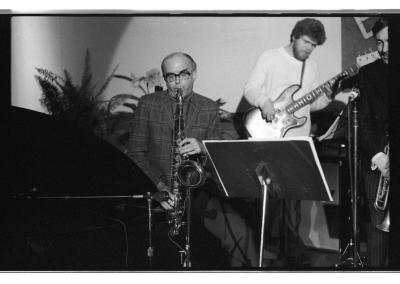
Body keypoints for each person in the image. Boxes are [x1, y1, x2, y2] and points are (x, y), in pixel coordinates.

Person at [128, 52, 257, 268]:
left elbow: (218, 161)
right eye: (170, 76)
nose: (177, 82)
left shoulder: (209, 107)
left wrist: (203, 147)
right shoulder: (148, 104)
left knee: (241, 235)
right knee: (164, 253)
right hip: (159, 195)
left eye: (184, 74)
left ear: (194, 73)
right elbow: (135, 153)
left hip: (196, 195)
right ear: (164, 78)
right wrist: (159, 188)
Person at [243, 18, 339, 266]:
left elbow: (311, 104)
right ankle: (270, 257)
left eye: (314, 45)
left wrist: (327, 96)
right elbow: (251, 89)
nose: (309, 48)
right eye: (306, 42)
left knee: (295, 203)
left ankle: (292, 258)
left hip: (298, 140)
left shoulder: (312, 66)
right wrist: (265, 102)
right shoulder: (270, 57)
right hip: (272, 137)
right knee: (273, 201)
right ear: (294, 37)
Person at [358, 17, 389, 268]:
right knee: (377, 238)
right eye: (379, 42)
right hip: (379, 165)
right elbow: (365, 121)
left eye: (390, 42)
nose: (384, 49)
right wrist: (379, 157)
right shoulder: (368, 73)